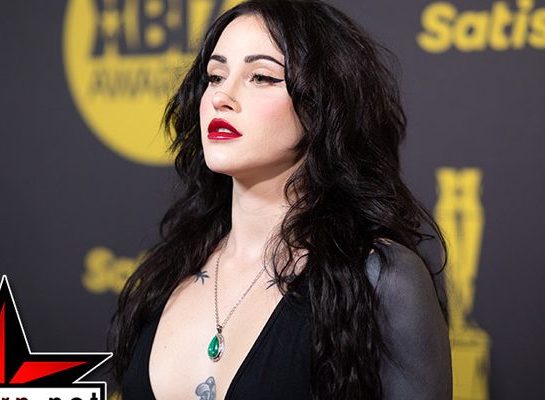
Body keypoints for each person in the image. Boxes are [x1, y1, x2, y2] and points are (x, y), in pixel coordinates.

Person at [110, 0, 452, 398]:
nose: (222, 97)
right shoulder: (166, 274)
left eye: (261, 77)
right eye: (215, 76)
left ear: (321, 104)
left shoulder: (382, 278)